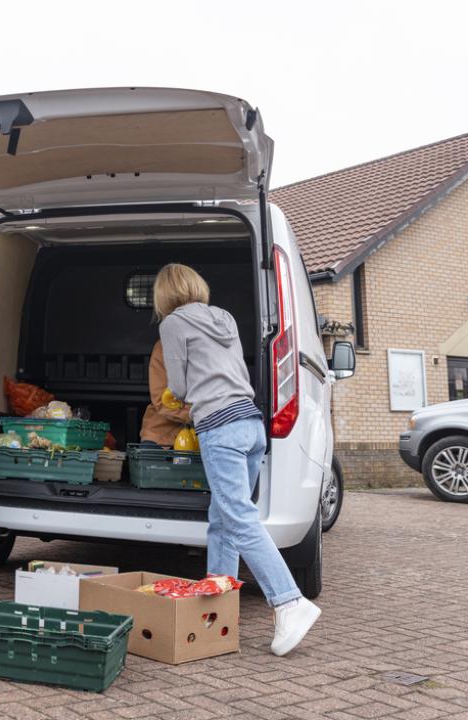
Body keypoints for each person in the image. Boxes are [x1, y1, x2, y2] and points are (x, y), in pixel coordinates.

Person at [154, 263, 321, 657]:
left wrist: (175, 398)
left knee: (239, 518)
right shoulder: (225, 317)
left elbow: (177, 385)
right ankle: (219, 602)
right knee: (224, 518)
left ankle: (289, 602)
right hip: (250, 424)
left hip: (219, 427)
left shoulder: (173, 324)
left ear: (164, 294)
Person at [138, 340, 193, 447]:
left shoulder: (216, 347)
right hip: (161, 436)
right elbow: (162, 400)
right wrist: (197, 415)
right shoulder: (165, 346)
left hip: (206, 437)